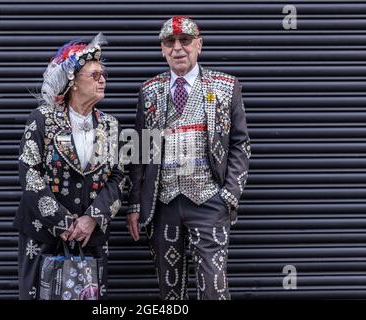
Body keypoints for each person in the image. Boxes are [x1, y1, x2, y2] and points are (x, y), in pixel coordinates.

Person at [127, 16, 250, 300]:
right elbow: (140, 151)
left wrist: (229, 196)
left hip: (209, 202)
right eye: (170, 42)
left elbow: (240, 145)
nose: (178, 48)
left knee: (213, 287)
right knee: (169, 291)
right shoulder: (149, 92)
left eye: (185, 41)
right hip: (164, 204)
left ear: (199, 45)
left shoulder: (226, 87)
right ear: (162, 49)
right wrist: (135, 204)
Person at [13, 33, 125, 300]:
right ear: (73, 81)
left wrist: (92, 219)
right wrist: (64, 222)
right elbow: (30, 174)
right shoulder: (42, 119)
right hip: (44, 237)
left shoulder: (110, 125)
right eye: (94, 75)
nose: (102, 80)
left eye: (103, 74)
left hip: (91, 238)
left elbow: (119, 178)